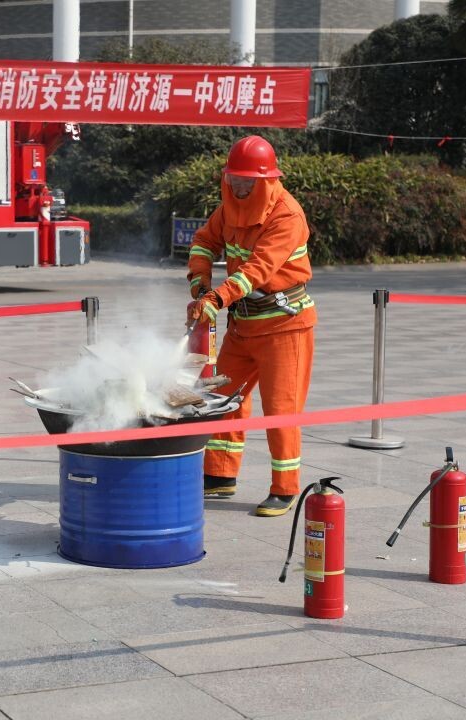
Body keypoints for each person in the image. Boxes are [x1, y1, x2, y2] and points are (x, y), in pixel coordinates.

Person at [187, 135, 315, 517]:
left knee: (281, 410)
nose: (239, 188)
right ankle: (219, 475)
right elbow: (203, 242)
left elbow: (257, 270)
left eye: (247, 182)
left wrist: (216, 298)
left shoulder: (287, 215)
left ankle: (285, 488)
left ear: (267, 180)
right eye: (234, 180)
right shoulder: (228, 206)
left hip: (285, 326)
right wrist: (200, 285)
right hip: (242, 324)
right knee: (222, 397)